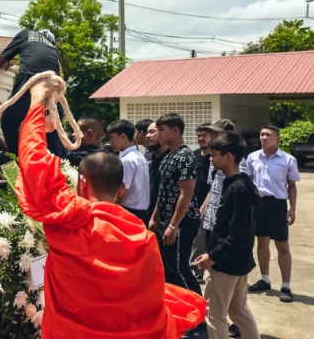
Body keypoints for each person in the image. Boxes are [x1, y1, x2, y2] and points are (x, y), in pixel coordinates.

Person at [15, 80, 205, 338]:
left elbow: (34, 161)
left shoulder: (69, 221)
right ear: (120, 190)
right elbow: (148, 300)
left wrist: (37, 103)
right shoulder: (142, 237)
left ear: (82, 183)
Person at [193, 132, 261, 339]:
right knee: (239, 311)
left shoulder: (237, 188)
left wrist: (212, 256)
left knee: (214, 316)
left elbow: (237, 232)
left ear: (229, 156)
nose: (211, 159)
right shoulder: (239, 184)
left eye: (214, 155)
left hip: (226, 263)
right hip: (238, 260)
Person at [246, 125, 301, 303]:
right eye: (262, 134)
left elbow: (292, 186)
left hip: (277, 204)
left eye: (268, 135)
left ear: (277, 138)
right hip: (258, 204)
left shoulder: (288, 159)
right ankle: (265, 279)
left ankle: (286, 285)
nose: (263, 137)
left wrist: (292, 209)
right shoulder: (253, 157)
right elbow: (248, 183)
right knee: (262, 242)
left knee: (282, 245)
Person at [150, 113, 203, 297]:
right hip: (166, 219)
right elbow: (163, 190)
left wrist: (173, 225)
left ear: (175, 130)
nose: (159, 134)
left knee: (179, 268)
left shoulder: (185, 156)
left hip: (182, 221)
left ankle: (199, 311)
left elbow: (186, 194)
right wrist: (155, 216)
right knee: (168, 268)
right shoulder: (168, 155)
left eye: (162, 130)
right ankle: (180, 308)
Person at [0, 28, 65, 160]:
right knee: (51, 131)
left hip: (29, 82)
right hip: (52, 88)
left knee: (9, 121)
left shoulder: (25, 34)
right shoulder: (54, 50)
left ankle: (19, 159)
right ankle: (57, 165)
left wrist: (4, 60)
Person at [107, 119, 150, 223]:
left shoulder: (127, 160)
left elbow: (123, 192)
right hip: (141, 212)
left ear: (123, 136)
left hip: (129, 212)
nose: (110, 142)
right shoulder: (139, 156)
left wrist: (114, 212)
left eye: (112, 137)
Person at [191, 124, 214, 284]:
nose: (201, 139)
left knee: (210, 239)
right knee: (197, 239)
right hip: (194, 203)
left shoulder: (214, 157)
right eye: (199, 136)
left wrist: (204, 207)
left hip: (211, 204)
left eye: (204, 135)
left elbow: (214, 186)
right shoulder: (194, 155)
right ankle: (197, 271)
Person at [146, 122, 170, 224]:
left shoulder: (171, 158)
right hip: (146, 213)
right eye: (147, 132)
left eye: (152, 132)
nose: (148, 136)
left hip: (163, 218)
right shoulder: (147, 157)